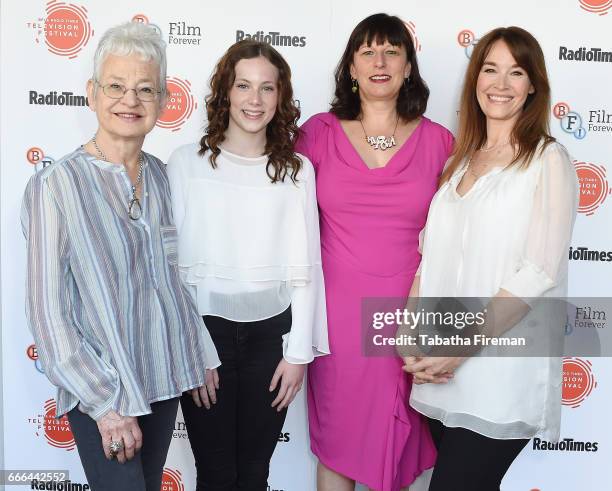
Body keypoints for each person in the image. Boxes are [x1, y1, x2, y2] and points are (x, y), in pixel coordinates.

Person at [21, 22, 220, 491]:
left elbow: (172, 280)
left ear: (164, 101)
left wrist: (197, 353)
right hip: (104, 391)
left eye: (144, 89)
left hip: (161, 377)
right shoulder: (55, 186)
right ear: (92, 94)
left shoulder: (163, 177)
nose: (129, 100)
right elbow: (49, 316)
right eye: (115, 86)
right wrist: (106, 406)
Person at [402, 26, 578, 491]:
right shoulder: (459, 161)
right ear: (475, 78)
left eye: (516, 72)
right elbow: (429, 256)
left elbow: (538, 270)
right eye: (491, 69)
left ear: (533, 86)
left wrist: (457, 348)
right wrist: (408, 332)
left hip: (499, 371)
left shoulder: (548, 160)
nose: (500, 84)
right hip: (439, 370)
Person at [295, 13, 453, 491]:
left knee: (398, 449)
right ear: (351, 67)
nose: (379, 62)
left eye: (392, 52)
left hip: (408, 316)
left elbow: (454, 241)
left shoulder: (441, 142)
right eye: (368, 52)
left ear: (409, 67)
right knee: (340, 445)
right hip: (337, 321)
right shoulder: (316, 134)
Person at [167, 40, 329, 490]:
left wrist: (298, 354)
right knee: (216, 474)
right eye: (243, 86)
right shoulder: (185, 165)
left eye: (267, 88)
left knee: (255, 474)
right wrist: (194, 350)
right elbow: (172, 270)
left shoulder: (297, 170)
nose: (254, 100)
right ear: (225, 92)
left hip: (270, 341)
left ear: (281, 97)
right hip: (205, 336)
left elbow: (307, 265)